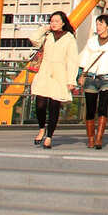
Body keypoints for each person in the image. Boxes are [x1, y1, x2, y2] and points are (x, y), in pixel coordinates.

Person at [24, 10, 78, 149]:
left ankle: (49, 136)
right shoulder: (47, 35)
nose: (54, 24)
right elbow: (33, 39)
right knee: (40, 104)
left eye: (56, 21)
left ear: (63, 23)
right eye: (52, 21)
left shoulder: (69, 38)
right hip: (45, 71)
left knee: (54, 106)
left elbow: (72, 60)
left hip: (60, 74)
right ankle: (42, 128)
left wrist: (71, 80)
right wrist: (45, 28)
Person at [76, 14, 108, 150]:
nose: (98, 27)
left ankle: (99, 138)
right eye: (97, 24)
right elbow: (83, 59)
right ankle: (90, 138)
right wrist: (80, 76)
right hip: (91, 78)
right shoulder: (91, 41)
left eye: (101, 24)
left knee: (103, 108)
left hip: (107, 78)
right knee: (90, 109)